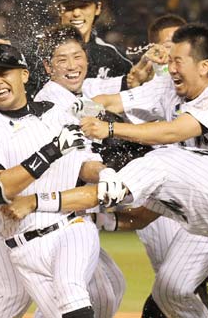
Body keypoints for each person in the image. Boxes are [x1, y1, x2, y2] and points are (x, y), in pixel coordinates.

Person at [79, 23, 208, 317]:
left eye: (177, 60)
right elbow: (109, 101)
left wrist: (109, 128)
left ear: (203, 66)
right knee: (170, 288)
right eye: (168, 55)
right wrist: (76, 113)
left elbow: (174, 131)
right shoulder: (168, 85)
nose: (170, 64)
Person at [2, 145, 208, 318]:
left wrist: (35, 201)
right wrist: (100, 220)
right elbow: (139, 218)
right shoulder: (166, 167)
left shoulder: (149, 165)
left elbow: (102, 193)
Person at [0, 43, 104, 318]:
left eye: (4, 73)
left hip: (69, 227)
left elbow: (85, 165)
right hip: (24, 246)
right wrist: (50, 151)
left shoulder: (56, 113)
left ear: (24, 75)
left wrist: (105, 173)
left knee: (71, 291)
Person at [34, 24, 128, 318]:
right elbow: (84, 165)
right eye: (62, 60)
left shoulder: (81, 94)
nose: (73, 66)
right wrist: (106, 174)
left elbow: (129, 84)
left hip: (66, 215)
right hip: (49, 220)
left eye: (78, 56)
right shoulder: (51, 106)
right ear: (48, 67)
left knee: (111, 285)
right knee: (91, 296)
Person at [26, 0, 133, 98]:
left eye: (83, 6)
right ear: (59, 10)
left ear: (98, 8)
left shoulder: (113, 56)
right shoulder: (38, 53)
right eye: (69, 7)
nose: (76, 13)